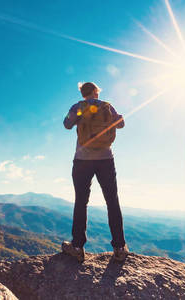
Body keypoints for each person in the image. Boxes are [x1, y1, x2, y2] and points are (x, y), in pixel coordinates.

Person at [61, 82, 129, 262]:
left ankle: (77, 246)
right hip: (106, 159)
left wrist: (77, 115)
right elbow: (121, 124)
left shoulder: (78, 106)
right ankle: (119, 247)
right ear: (96, 92)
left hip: (82, 160)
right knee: (112, 201)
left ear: (83, 93)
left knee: (81, 202)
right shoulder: (107, 106)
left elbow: (67, 124)